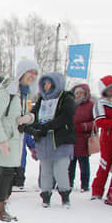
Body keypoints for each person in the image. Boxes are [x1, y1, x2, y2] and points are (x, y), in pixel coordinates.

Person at [0, 59, 39, 221]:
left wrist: (28, 117)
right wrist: (2, 141)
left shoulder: (23, 93)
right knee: (6, 174)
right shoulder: (8, 92)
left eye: (35, 73)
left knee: (6, 174)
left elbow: (23, 114)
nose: (32, 76)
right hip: (5, 140)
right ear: (22, 72)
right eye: (30, 72)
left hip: (15, 139)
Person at [25, 72, 76, 208]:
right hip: (44, 142)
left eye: (49, 83)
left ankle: (65, 196)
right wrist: (29, 125)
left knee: (60, 170)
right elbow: (34, 115)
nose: (46, 86)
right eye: (44, 83)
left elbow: (65, 116)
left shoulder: (66, 98)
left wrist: (46, 126)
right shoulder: (42, 99)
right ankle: (45, 195)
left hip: (61, 141)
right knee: (45, 171)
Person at [69, 84, 94, 192]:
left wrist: (83, 126)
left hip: (83, 139)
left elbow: (96, 122)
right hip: (70, 138)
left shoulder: (91, 105)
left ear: (86, 94)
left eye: (81, 93)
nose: (78, 95)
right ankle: (69, 183)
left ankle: (85, 185)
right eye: (77, 93)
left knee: (83, 164)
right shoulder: (70, 104)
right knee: (70, 163)